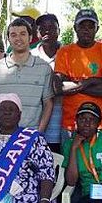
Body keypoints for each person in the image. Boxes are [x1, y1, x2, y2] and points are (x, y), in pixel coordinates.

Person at [54, 9, 102, 135]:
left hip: (100, 124)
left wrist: (75, 85)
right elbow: (58, 88)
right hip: (71, 125)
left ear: (97, 28)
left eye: (91, 26)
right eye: (82, 26)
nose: (86, 30)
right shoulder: (64, 52)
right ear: (75, 28)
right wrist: (91, 81)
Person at [0, 18, 54, 133]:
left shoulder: (44, 68)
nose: (18, 38)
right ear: (8, 39)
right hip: (2, 135)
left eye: (23, 34)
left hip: (31, 135)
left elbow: (48, 103)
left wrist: (39, 133)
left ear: (30, 38)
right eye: (13, 35)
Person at [32, 13, 63, 152]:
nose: (47, 31)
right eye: (42, 28)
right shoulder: (30, 56)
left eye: (51, 27)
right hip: (35, 126)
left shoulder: (70, 54)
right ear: (37, 32)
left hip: (62, 126)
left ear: (59, 30)